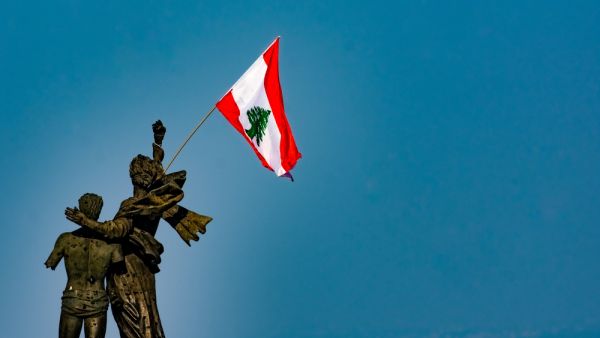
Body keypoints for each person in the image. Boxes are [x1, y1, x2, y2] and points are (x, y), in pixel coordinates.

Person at [65, 120, 212, 338]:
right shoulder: (152, 202)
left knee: (136, 324)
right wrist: (158, 142)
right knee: (146, 319)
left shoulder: (134, 205)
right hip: (133, 271)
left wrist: (83, 220)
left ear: (134, 177)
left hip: (128, 274)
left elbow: (115, 230)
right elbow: (157, 172)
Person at [46, 193, 123, 338]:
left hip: (72, 299)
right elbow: (117, 274)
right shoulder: (112, 244)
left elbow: (51, 263)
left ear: (80, 208)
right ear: (99, 210)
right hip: (98, 300)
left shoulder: (66, 239)